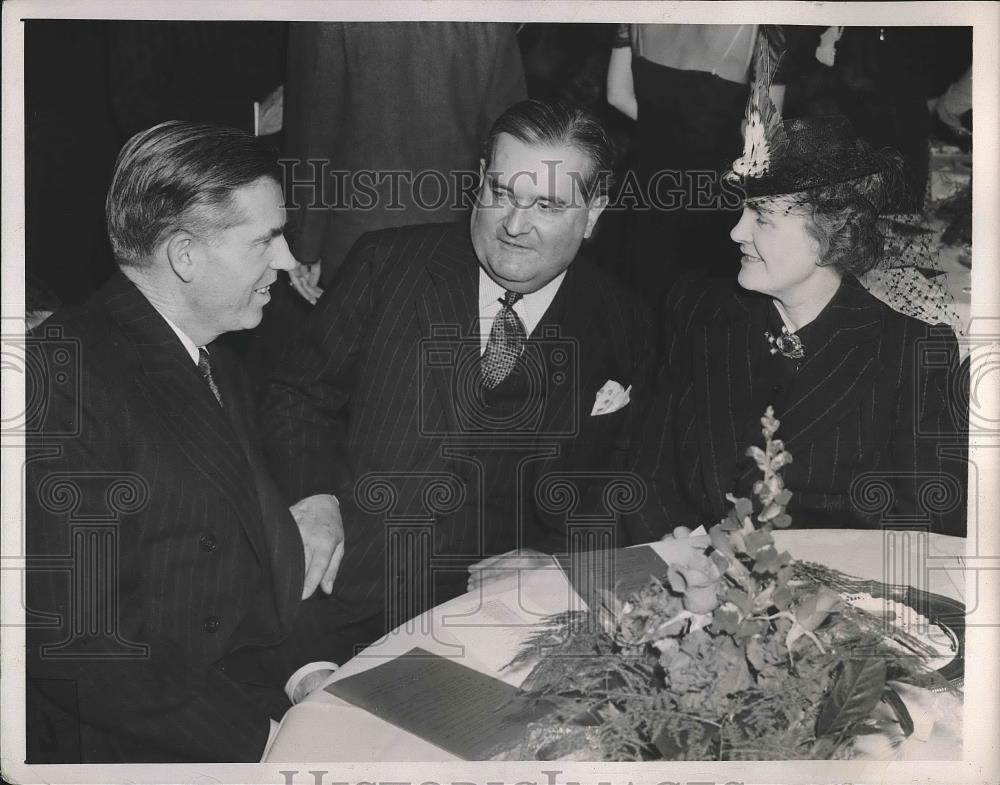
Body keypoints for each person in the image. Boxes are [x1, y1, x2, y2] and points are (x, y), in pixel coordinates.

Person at [260, 99, 656, 644]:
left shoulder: (626, 321)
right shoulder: (386, 266)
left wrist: (557, 561)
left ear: (593, 215)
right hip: (338, 594)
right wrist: (313, 497)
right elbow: (296, 395)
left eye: (547, 205)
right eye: (500, 193)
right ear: (477, 183)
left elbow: (624, 478)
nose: (515, 226)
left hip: (501, 620)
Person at [25, 121, 344, 763]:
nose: (287, 260)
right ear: (185, 256)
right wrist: (266, 742)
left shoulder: (214, 351)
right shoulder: (60, 379)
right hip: (138, 740)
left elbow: (259, 540)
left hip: (239, 685)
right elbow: (87, 642)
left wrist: (313, 674)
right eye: (266, 240)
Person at [625, 113, 967, 544]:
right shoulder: (700, 312)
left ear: (830, 234)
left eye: (762, 217)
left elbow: (931, 533)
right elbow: (649, 474)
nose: (735, 232)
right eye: (742, 210)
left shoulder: (908, 355)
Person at [605, 24, 790, 302]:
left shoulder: (636, 13)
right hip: (710, 197)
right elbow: (761, 133)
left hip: (644, 186)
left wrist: (663, 130)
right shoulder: (762, 25)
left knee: (636, 300)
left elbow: (616, 95)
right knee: (698, 315)